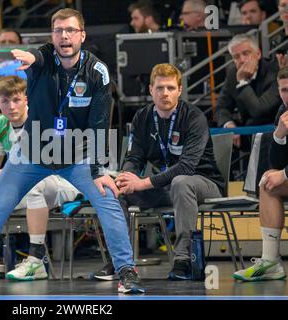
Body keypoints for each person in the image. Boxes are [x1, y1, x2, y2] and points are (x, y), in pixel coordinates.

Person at [0, 8, 145, 297]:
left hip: (76, 155)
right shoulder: (42, 59)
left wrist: (98, 171)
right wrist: (30, 59)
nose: (64, 36)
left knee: (108, 199)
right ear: (52, 36)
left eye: (70, 30)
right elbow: (38, 56)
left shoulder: (97, 72)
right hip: (31, 153)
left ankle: (127, 273)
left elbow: (98, 124)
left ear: (82, 35)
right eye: (58, 31)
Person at [0, 75, 79, 281]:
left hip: (62, 182)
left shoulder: (42, 118)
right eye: (5, 101)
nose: (11, 106)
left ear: (26, 100)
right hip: (23, 184)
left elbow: (45, 166)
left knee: (32, 184)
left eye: (16, 100)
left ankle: (36, 261)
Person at [113, 63, 225, 280]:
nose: (165, 93)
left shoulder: (194, 117)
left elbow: (186, 167)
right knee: (117, 189)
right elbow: (134, 157)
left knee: (182, 181)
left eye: (171, 88)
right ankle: (121, 261)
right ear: (151, 90)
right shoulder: (142, 118)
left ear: (180, 90)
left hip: (205, 184)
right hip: (166, 185)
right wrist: (127, 177)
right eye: (160, 88)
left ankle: (183, 258)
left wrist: (143, 182)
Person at [233, 66, 288, 282]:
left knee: (277, 177)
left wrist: (284, 174)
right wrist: (279, 135)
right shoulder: (282, 114)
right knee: (268, 180)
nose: (287, 96)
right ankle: (271, 261)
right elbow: (275, 162)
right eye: (283, 90)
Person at [216, 34, 281, 149]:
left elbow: (259, 111)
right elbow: (221, 107)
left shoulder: (274, 71)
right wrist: (228, 124)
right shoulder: (232, 74)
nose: (242, 60)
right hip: (246, 137)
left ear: (258, 54)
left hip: (274, 135)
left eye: (246, 53)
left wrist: (242, 82)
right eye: (236, 56)